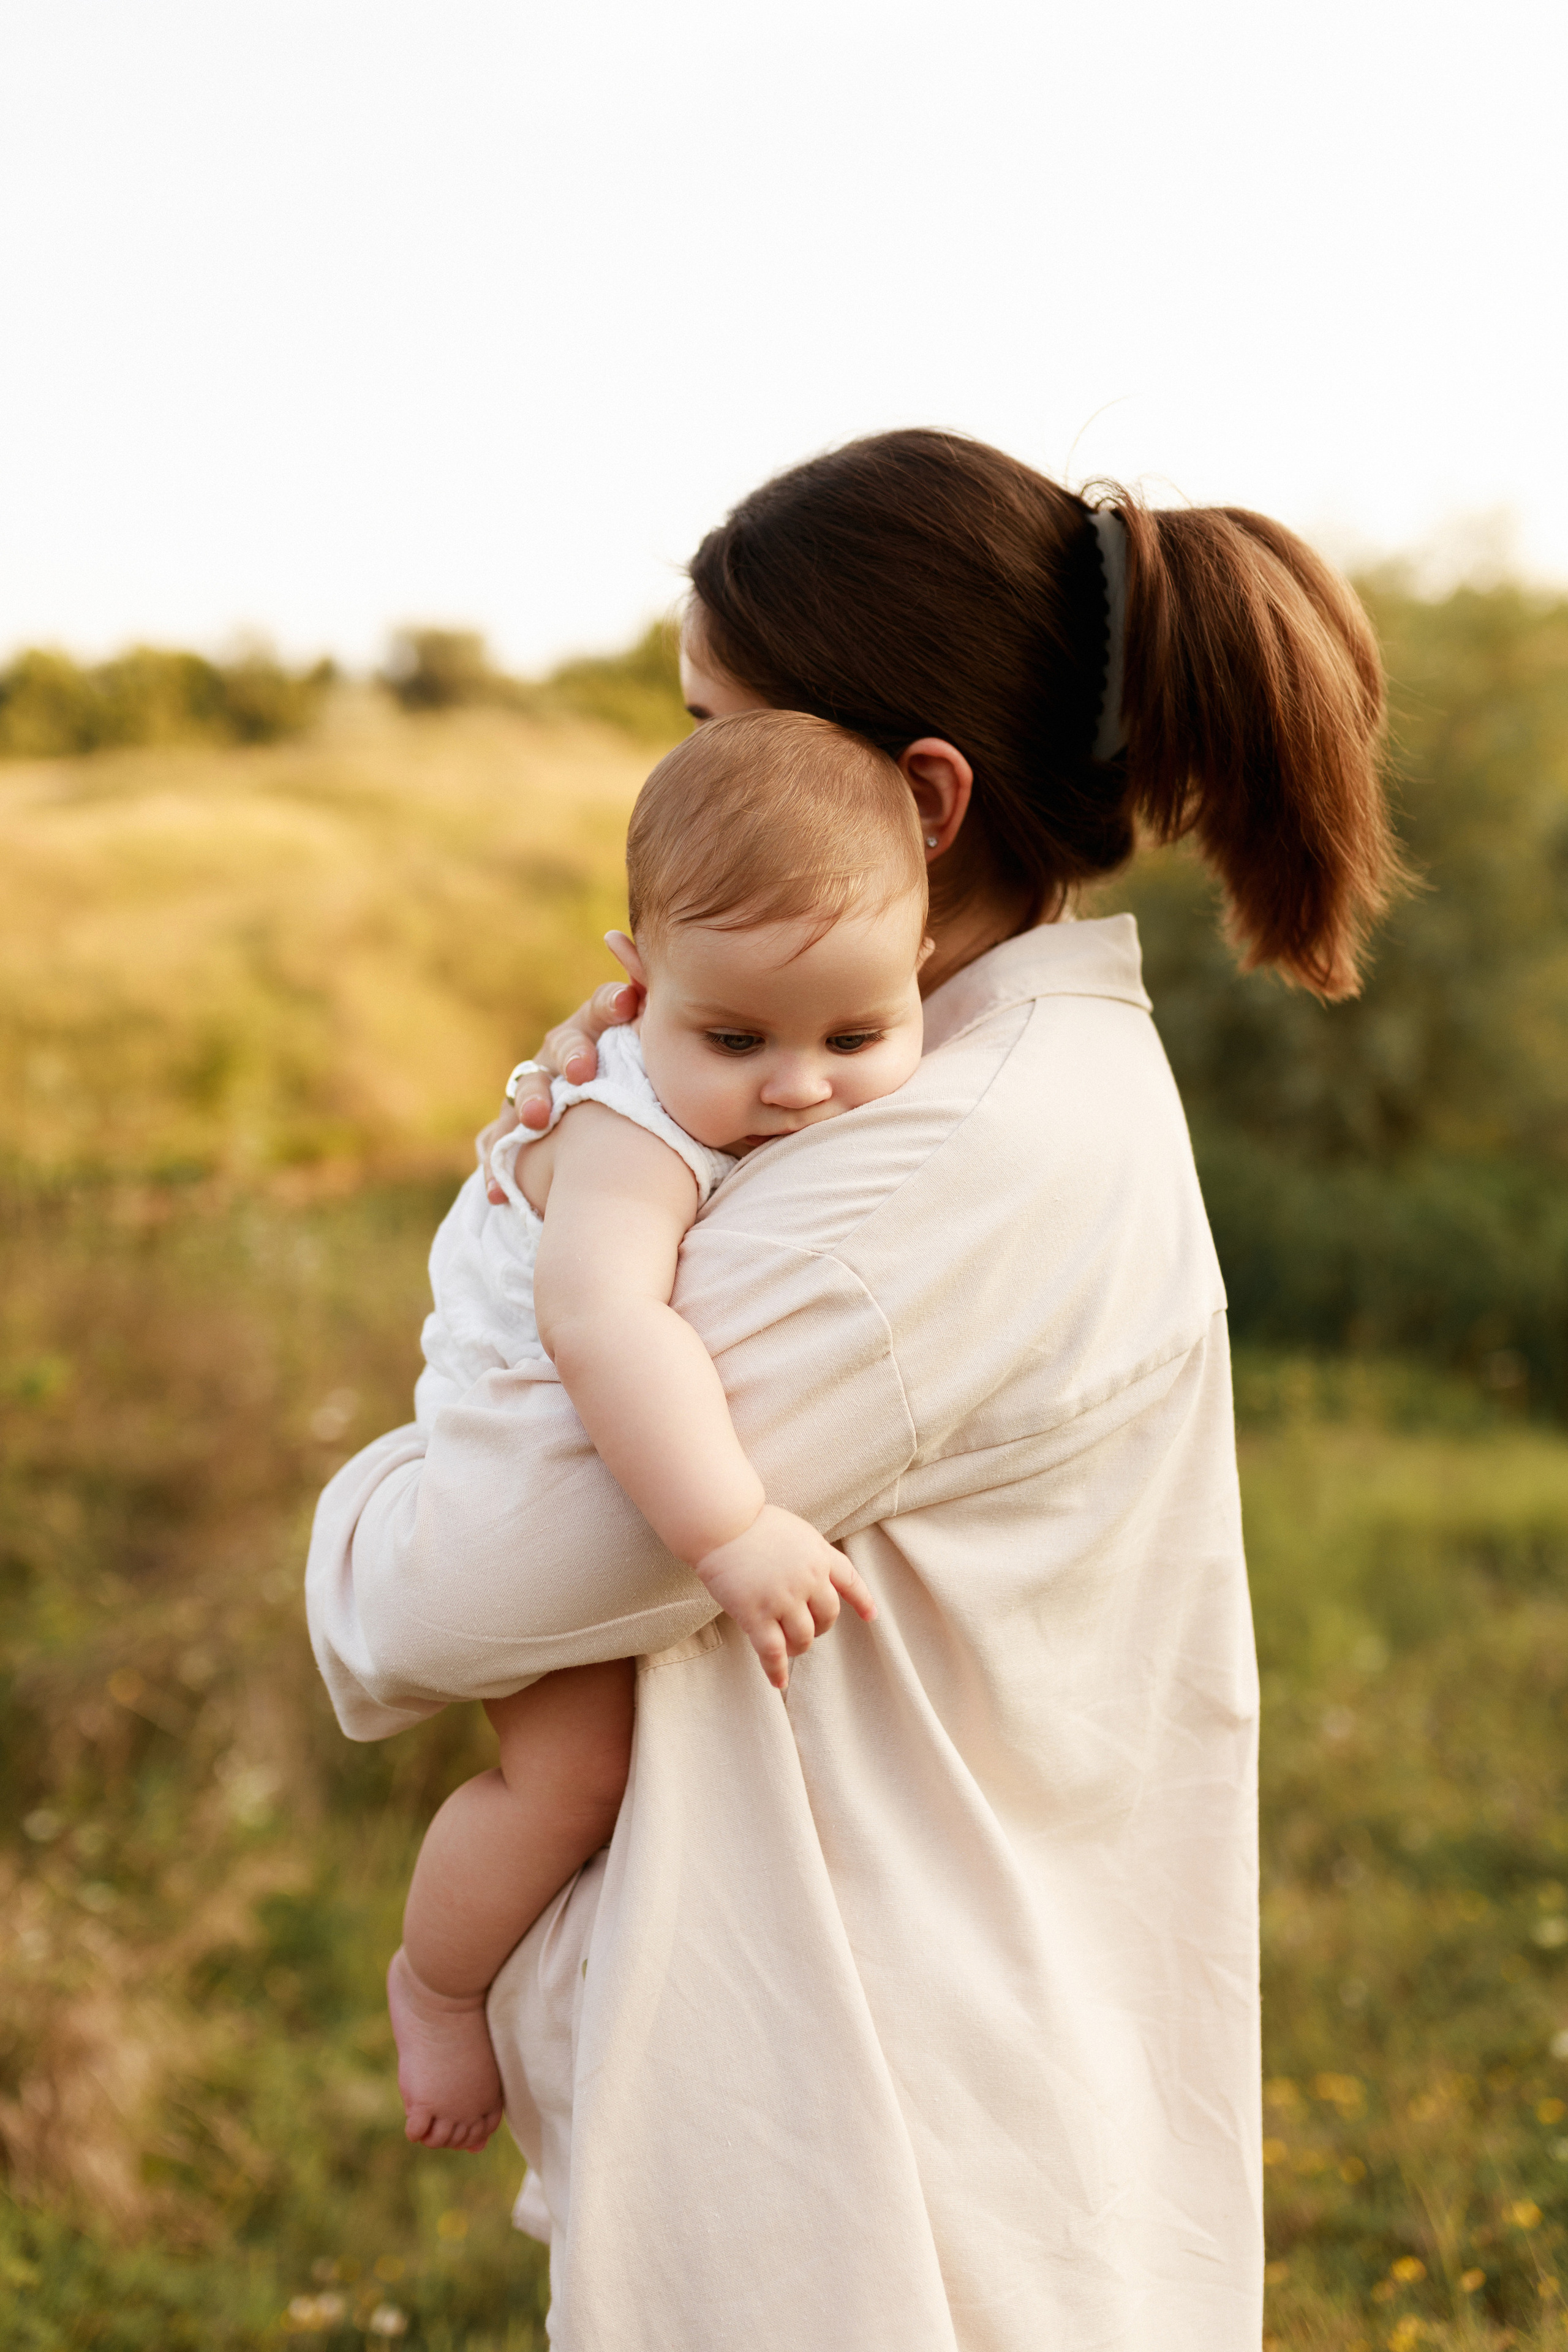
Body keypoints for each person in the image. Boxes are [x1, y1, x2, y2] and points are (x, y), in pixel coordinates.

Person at [308, 429, 1395, 2351]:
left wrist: (372, 1479)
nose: (684, 792)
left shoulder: (934, 1168)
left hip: (874, 2161)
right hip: (929, 2096)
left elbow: (443, 1592)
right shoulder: (941, 1094)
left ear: (925, 796)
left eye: (715, 732)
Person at [386, 710, 928, 2151]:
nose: (798, 1085)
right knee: (572, 1780)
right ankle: (436, 1984)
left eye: (857, 1036)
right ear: (635, 987)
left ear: (923, 967)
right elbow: (602, 1324)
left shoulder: (803, 1066)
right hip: (518, 1439)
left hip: (604, 1429)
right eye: (733, 1038)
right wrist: (729, 1529)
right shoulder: (627, 1132)